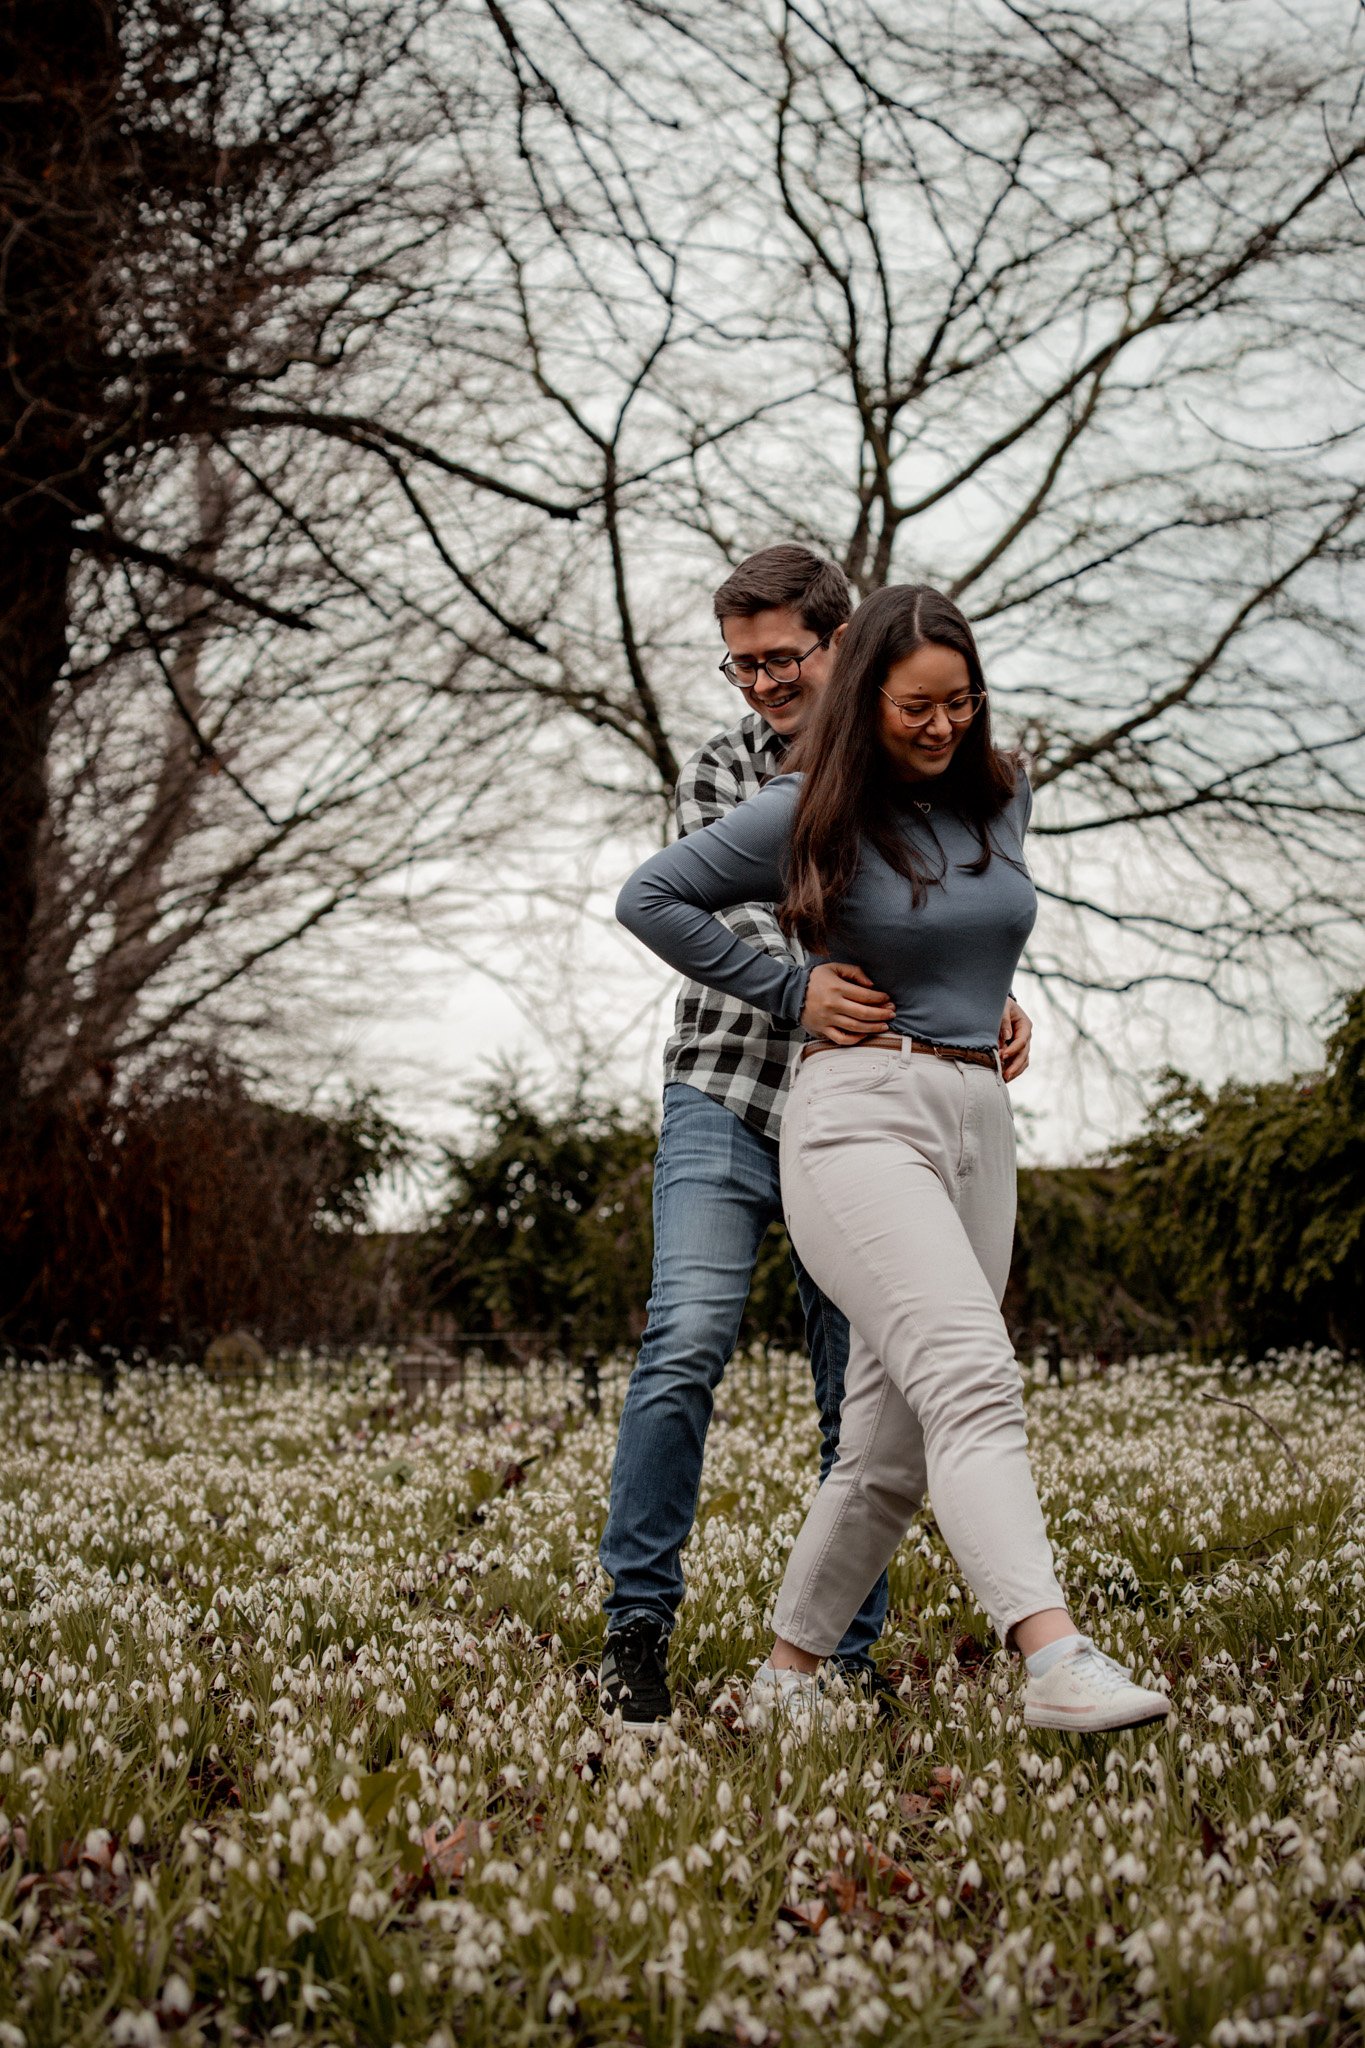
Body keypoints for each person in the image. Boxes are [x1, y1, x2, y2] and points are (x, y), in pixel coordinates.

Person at [616, 583, 1170, 1734]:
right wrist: (787, 986)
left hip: (978, 1116)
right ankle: (1055, 1653)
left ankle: (786, 1681)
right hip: (857, 1111)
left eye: (958, 702)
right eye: (915, 706)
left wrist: (1000, 1000)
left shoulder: (1001, 794)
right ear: (865, 699)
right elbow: (653, 895)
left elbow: (974, 921)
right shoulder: (804, 804)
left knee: (885, 1446)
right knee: (970, 1369)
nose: (941, 725)